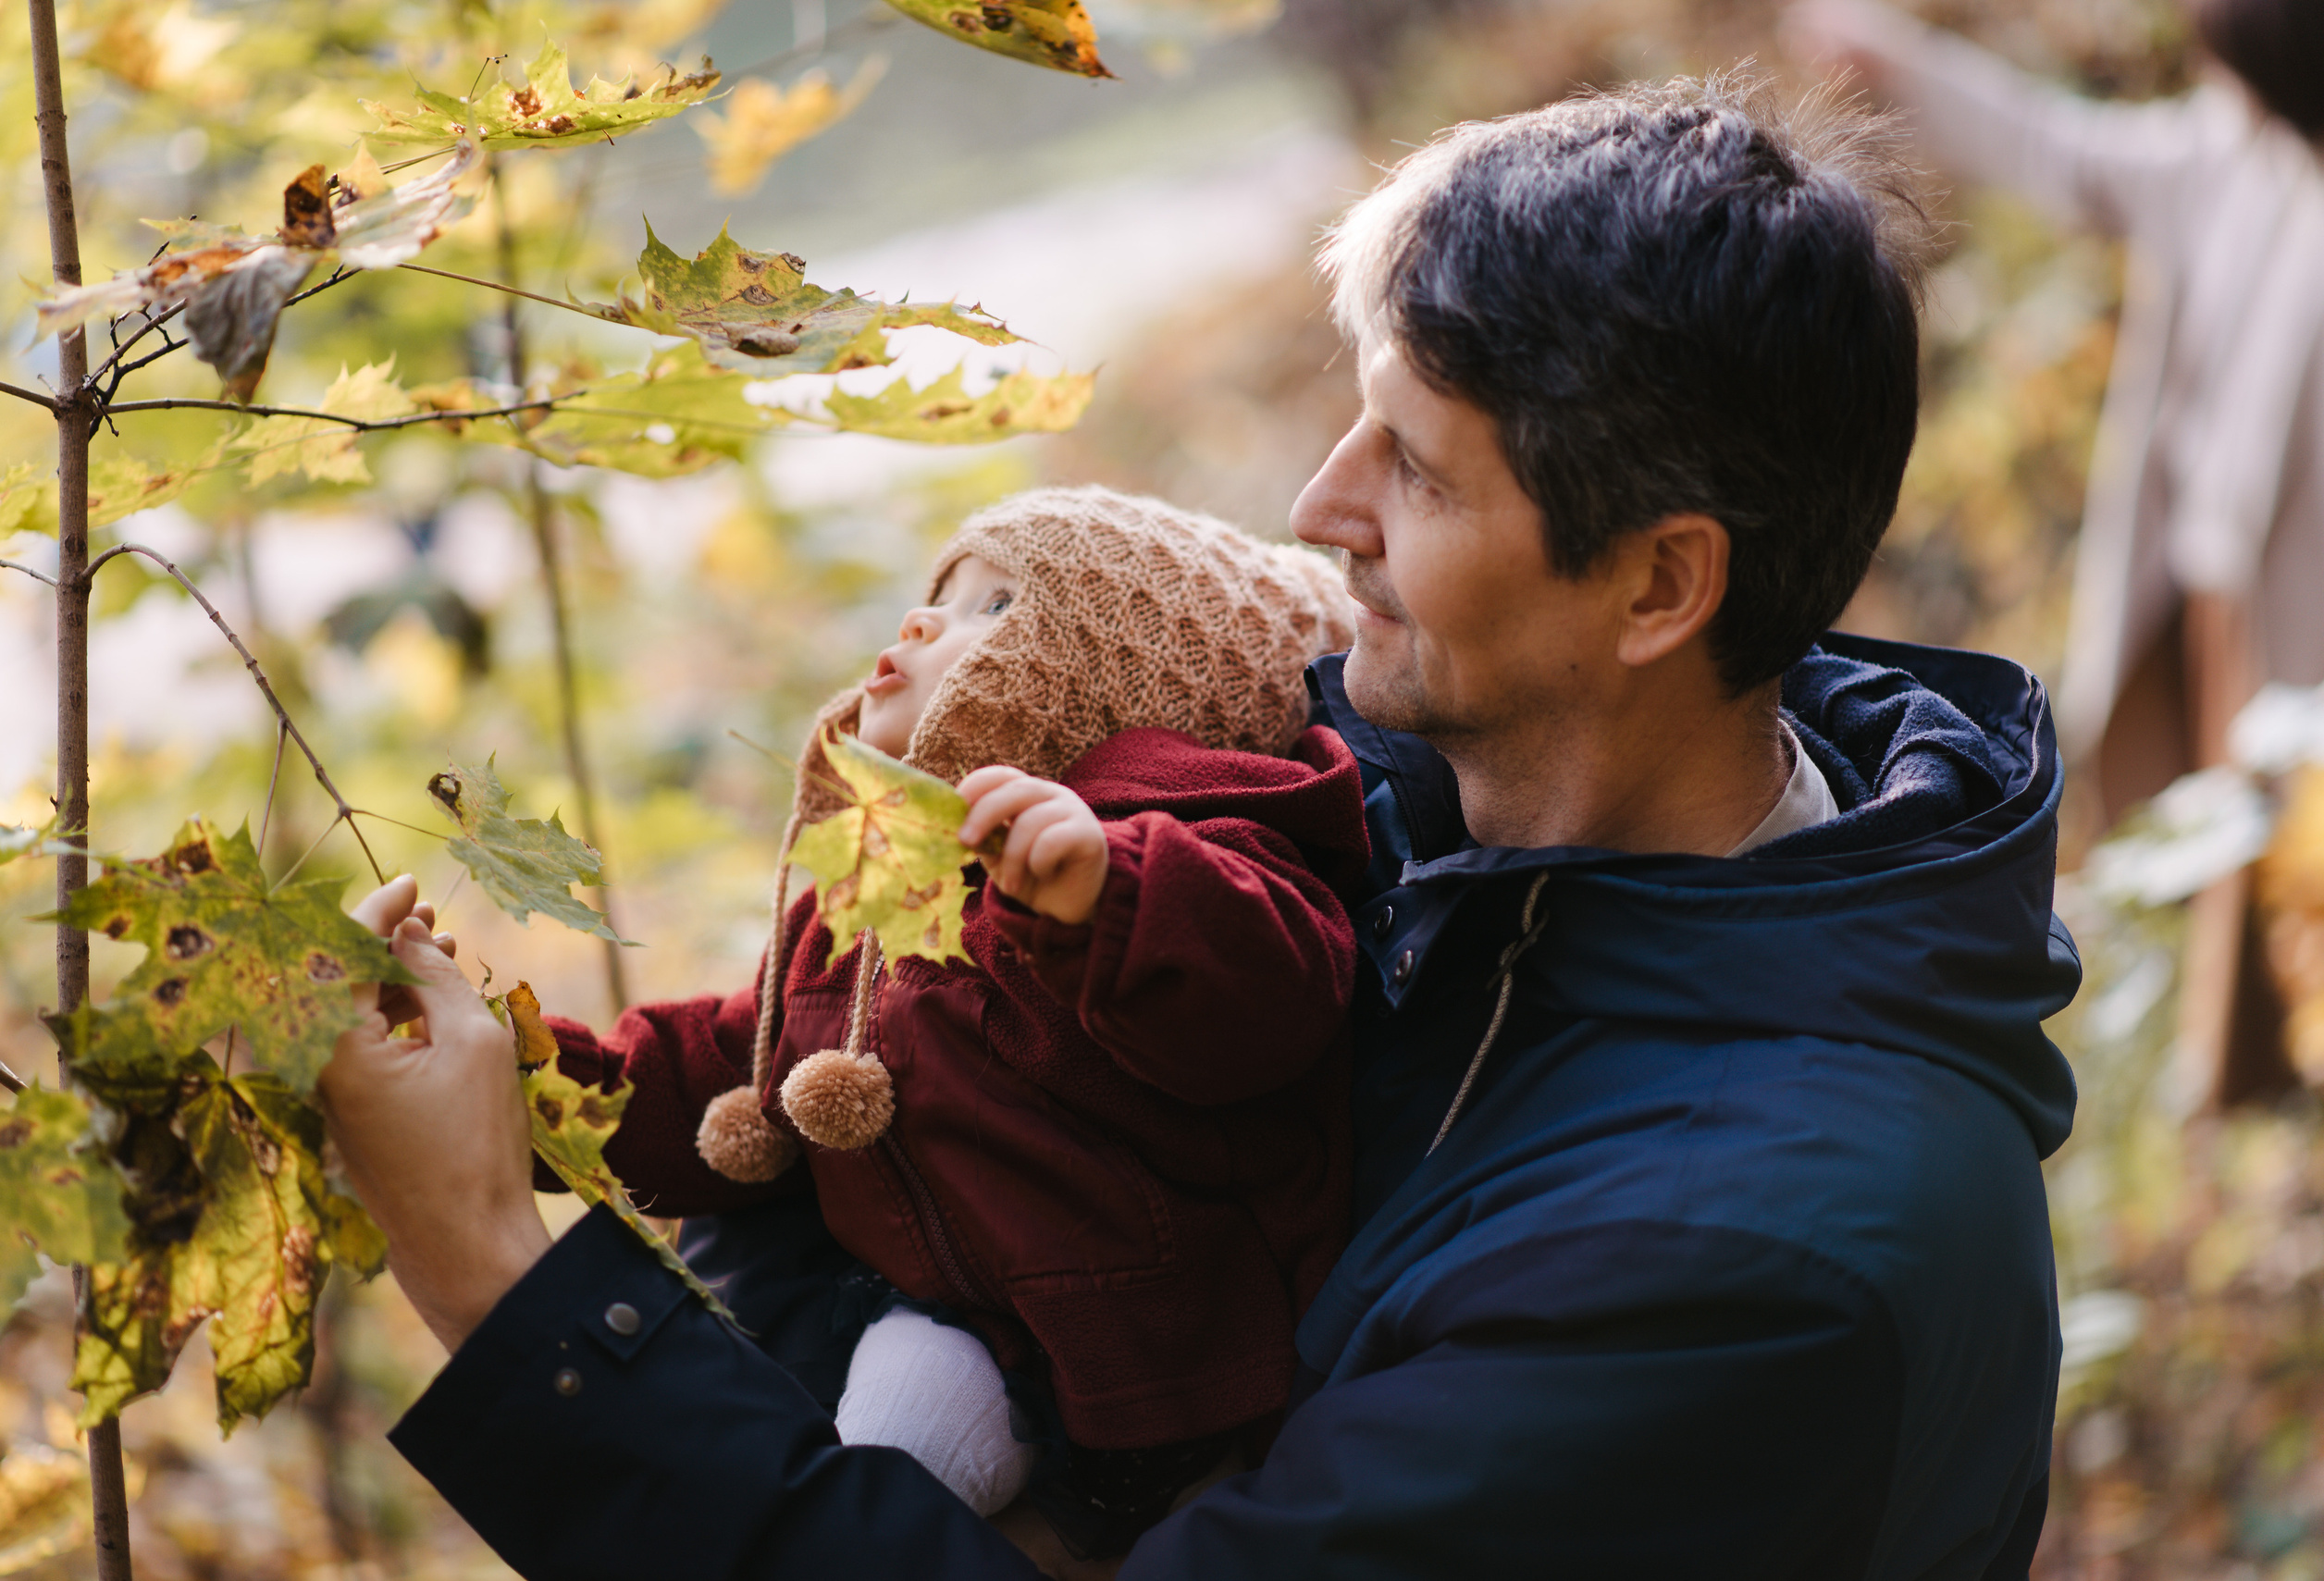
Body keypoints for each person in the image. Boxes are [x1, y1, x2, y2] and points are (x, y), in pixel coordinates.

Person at [321, 70, 2081, 1578]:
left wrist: (495, 1276)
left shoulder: (1751, 1265)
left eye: (1420, 463)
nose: (1323, 504)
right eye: (1355, 419)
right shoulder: (1403, 845)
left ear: (1658, 585)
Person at [527, 486, 1364, 1553]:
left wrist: (1103, 888)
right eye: (936, 598)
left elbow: (1264, 994)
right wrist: (538, 1080)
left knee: (862, 1489)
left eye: (995, 606)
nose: (919, 622)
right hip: (949, 1324)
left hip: (1162, 1365)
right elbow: (736, 1052)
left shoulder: (1195, 852)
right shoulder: (882, 887)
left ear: (1110, 684)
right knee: (835, 1464)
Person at [1786, 0, 2324, 1100]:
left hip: (2298, 623)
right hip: (2225, 605)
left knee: (2286, 902)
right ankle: (2234, 1158)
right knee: (2242, 904)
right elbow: (2063, 149)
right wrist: (1897, 62)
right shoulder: (2238, 148)